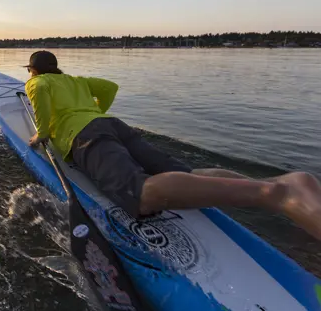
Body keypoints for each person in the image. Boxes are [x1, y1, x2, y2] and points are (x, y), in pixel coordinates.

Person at [24, 50, 321, 241]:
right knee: (189, 174)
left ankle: (274, 193)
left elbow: (44, 114)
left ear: (33, 71)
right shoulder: (74, 79)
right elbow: (108, 87)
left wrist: (41, 135)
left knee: (138, 193)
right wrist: (98, 112)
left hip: (87, 136)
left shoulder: (37, 83)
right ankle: (278, 184)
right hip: (114, 125)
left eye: (29, 72)